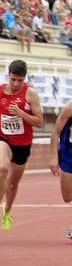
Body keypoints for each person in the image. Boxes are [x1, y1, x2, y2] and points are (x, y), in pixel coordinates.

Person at [0, 60, 43, 231]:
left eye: (20, 80)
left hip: (22, 144)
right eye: (13, 79)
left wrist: (21, 113)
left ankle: (8, 211)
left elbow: (39, 122)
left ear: (24, 79)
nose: (16, 84)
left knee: (12, 184)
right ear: (8, 76)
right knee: (3, 168)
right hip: (2, 137)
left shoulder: (30, 94)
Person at [48, 100, 72, 240]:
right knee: (67, 197)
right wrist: (53, 157)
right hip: (69, 155)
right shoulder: (70, 108)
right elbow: (55, 132)